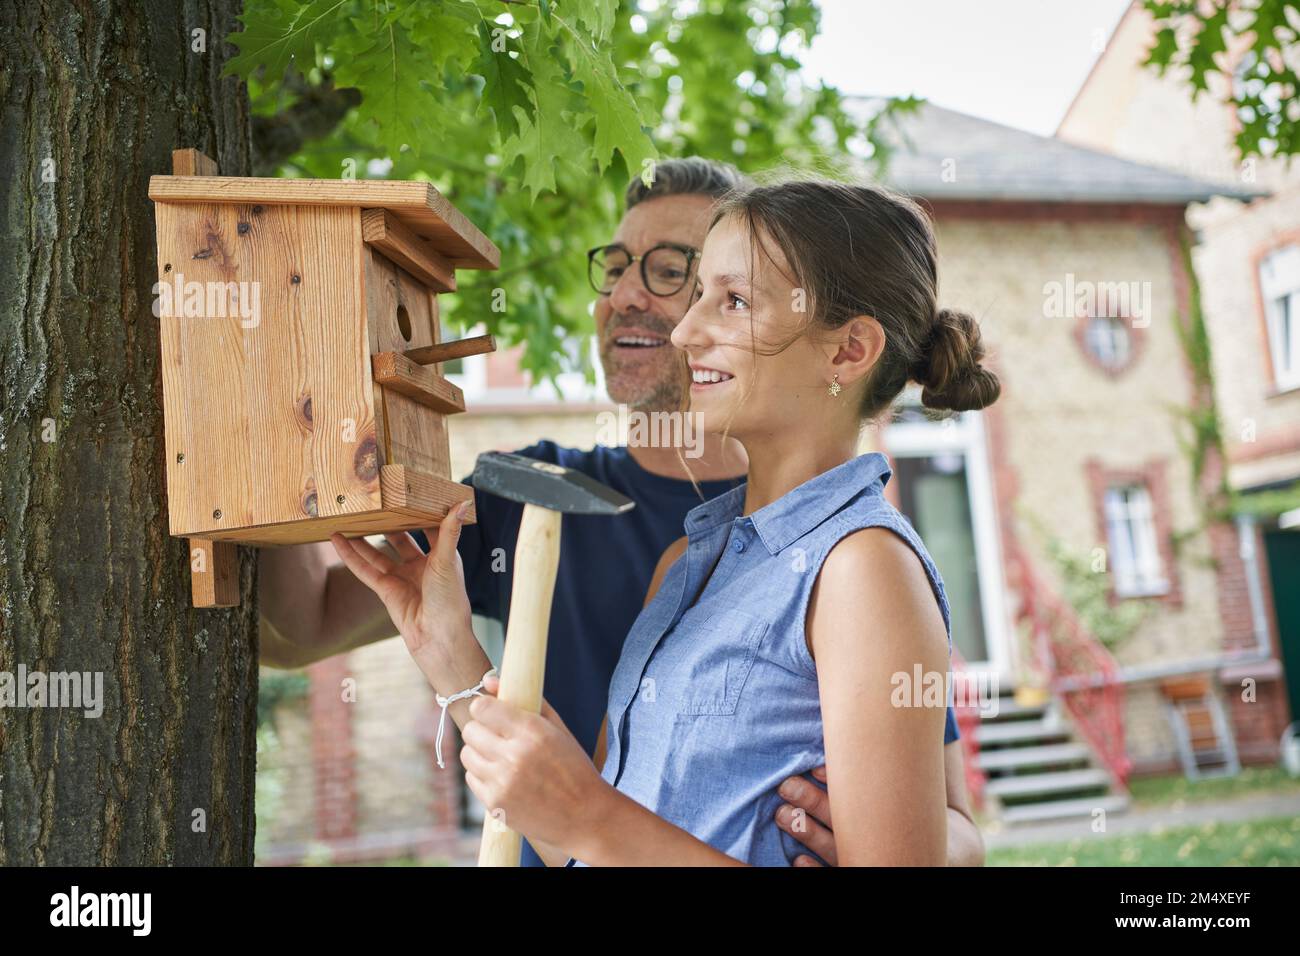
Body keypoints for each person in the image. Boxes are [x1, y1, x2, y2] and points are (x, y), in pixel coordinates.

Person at [262, 160, 985, 866]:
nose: (680, 327)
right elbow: (583, 841)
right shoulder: (687, 563)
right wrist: (447, 651)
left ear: (849, 350)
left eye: (719, 293)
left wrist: (585, 813)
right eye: (620, 270)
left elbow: (593, 820)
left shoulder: (861, 571)